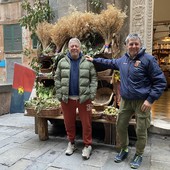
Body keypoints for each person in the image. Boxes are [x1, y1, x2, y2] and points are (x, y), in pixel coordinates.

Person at [86, 33, 167, 169]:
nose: (134, 46)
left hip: (142, 101)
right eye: (131, 44)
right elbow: (109, 62)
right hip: (126, 101)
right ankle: (124, 149)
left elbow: (160, 81)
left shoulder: (148, 60)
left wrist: (150, 99)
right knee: (121, 125)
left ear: (140, 45)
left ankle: (139, 154)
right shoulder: (122, 60)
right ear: (126, 46)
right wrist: (93, 60)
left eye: (136, 43)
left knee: (141, 129)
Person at [54, 37, 98, 160]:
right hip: (67, 98)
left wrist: (91, 95)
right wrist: (59, 94)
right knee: (68, 123)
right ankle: (71, 143)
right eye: (72, 46)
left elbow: (94, 79)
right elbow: (57, 78)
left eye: (76, 46)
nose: (74, 48)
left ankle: (87, 145)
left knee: (87, 123)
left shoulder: (88, 62)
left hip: (85, 99)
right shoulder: (62, 62)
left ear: (80, 48)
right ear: (68, 48)